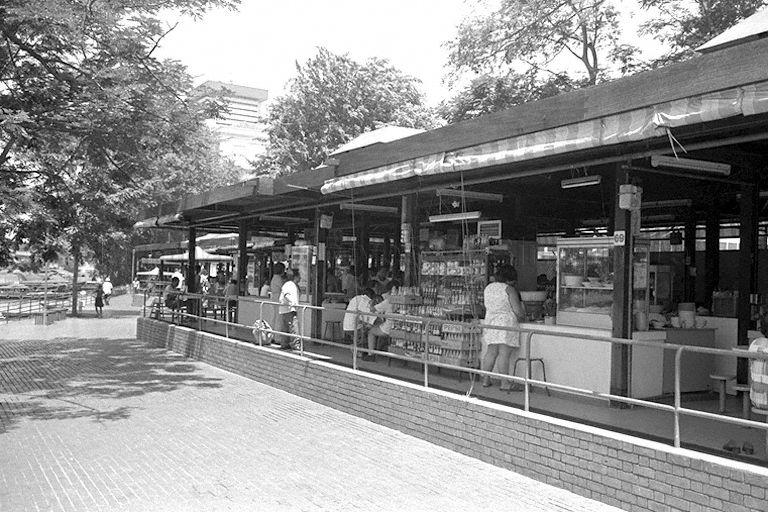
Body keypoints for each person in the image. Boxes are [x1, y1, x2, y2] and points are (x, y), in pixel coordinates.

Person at [480, 265, 526, 391]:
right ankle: (504, 383)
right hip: (505, 324)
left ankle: (485, 380)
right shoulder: (509, 289)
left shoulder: (488, 288)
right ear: (510, 279)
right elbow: (518, 311)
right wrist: (523, 316)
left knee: (491, 352)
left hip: (490, 322)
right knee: (504, 354)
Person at [365, 280, 400, 361]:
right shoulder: (402, 299)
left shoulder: (388, 301)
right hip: (399, 327)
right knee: (378, 326)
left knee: (370, 331)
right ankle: (379, 350)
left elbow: (373, 309)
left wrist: (371, 303)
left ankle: (371, 354)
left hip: (389, 328)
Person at [278, 270, 301, 350]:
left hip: (285, 309)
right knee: (294, 327)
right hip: (289, 309)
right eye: (299, 276)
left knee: (285, 327)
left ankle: (285, 344)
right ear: (295, 277)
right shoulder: (290, 285)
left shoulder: (289, 284)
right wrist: (292, 303)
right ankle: (295, 345)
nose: (300, 278)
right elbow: (286, 294)